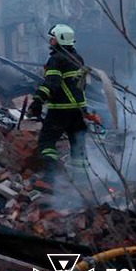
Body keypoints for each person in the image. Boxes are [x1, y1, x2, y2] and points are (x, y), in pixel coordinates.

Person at [28, 24, 88, 175]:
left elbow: (51, 83)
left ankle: (51, 177)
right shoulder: (78, 58)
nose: (50, 41)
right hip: (79, 110)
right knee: (78, 145)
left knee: (47, 141)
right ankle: (82, 179)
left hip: (61, 110)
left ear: (60, 39)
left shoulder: (56, 59)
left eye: (53, 38)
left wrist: (38, 101)